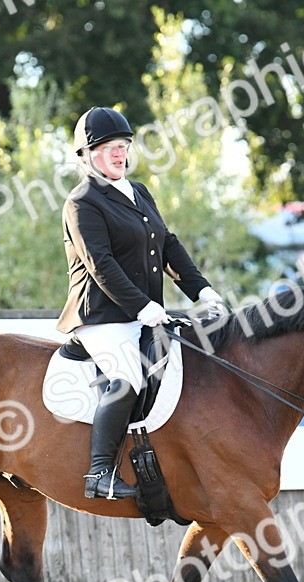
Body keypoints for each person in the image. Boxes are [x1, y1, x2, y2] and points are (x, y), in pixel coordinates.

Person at [56, 106, 227, 500]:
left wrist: (202, 291)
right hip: (100, 316)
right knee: (130, 375)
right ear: (87, 155)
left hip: (141, 312)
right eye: (109, 148)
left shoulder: (138, 192)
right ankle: (99, 473)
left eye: (123, 145)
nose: (119, 154)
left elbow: (167, 245)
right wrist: (143, 307)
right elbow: (102, 265)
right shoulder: (82, 202)